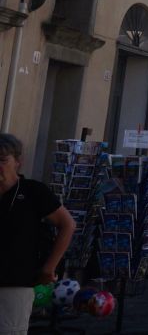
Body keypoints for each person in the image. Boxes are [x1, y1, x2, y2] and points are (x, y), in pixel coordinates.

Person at [0, 134, 76, 335]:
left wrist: (49, 267)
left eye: (2, 160)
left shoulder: (33, 191)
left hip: (15, 282)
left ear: (17, 162)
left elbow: (67, 224)